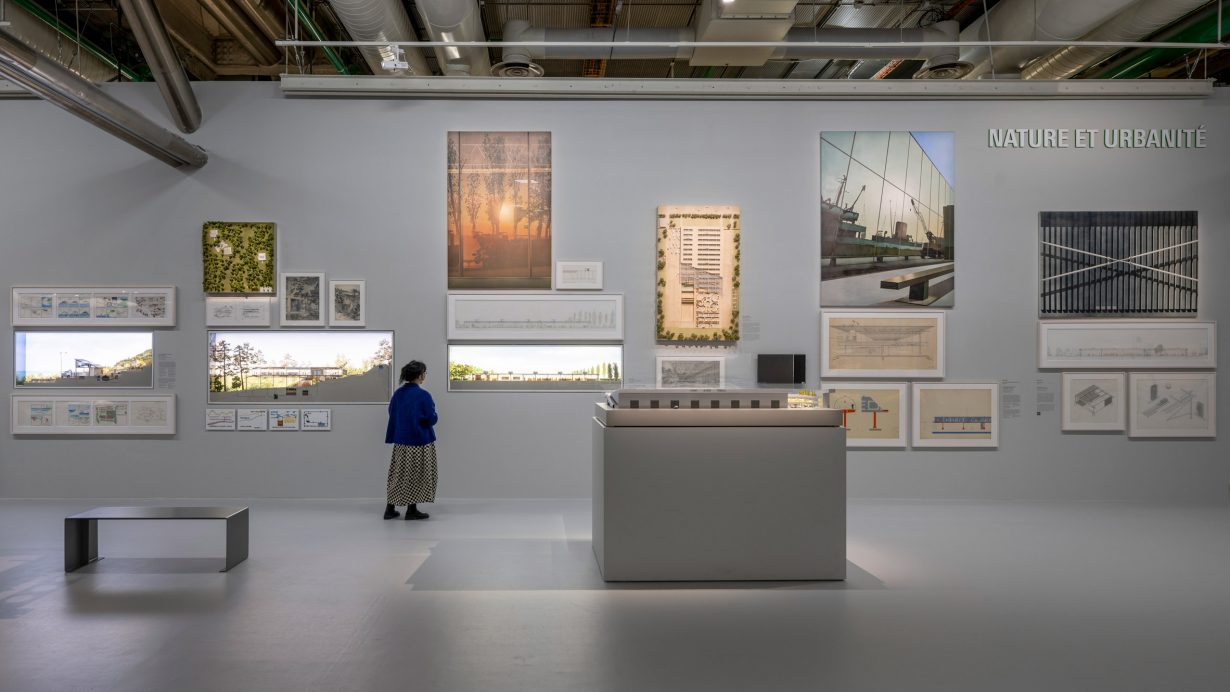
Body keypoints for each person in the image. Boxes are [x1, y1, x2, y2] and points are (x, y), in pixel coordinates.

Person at [384, 360, 438, 520]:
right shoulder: (423, 395)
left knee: (398, 474)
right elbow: (430, 418)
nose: (424, 376)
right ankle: (411, 510)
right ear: (420, 375)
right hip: (420, 441)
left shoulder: (398, 394)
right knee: (417, 474)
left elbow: (391, 412)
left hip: (401, 441)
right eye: (424, 373)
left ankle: (389, 508)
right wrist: (434, 417)